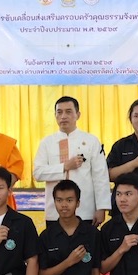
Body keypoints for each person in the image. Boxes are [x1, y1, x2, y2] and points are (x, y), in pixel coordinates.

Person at [33, 96, 109, 226]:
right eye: (59, 112)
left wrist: (101, 207)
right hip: (55, 212)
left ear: (78, 115)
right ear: (55, 115)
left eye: (68, 112)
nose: (63, 116)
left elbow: (100, 176)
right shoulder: (47, 142)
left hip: (85, 210)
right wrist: (64, 167)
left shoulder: (91, 141)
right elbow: (38, 173)